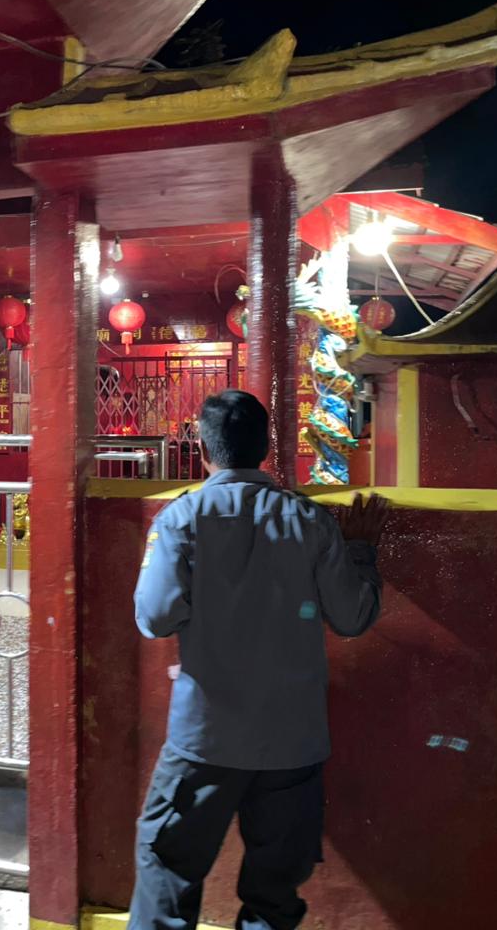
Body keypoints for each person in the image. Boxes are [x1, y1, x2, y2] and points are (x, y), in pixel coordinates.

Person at [128, 389, 388, 930]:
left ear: (203, 449)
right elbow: (352, 617)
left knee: (167, 868)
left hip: (206, 738)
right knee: (273, 898)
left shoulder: (181, 520)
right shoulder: (312, 522)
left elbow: (154, 618)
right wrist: (361, 552)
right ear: (266, 446)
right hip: (293, 741)